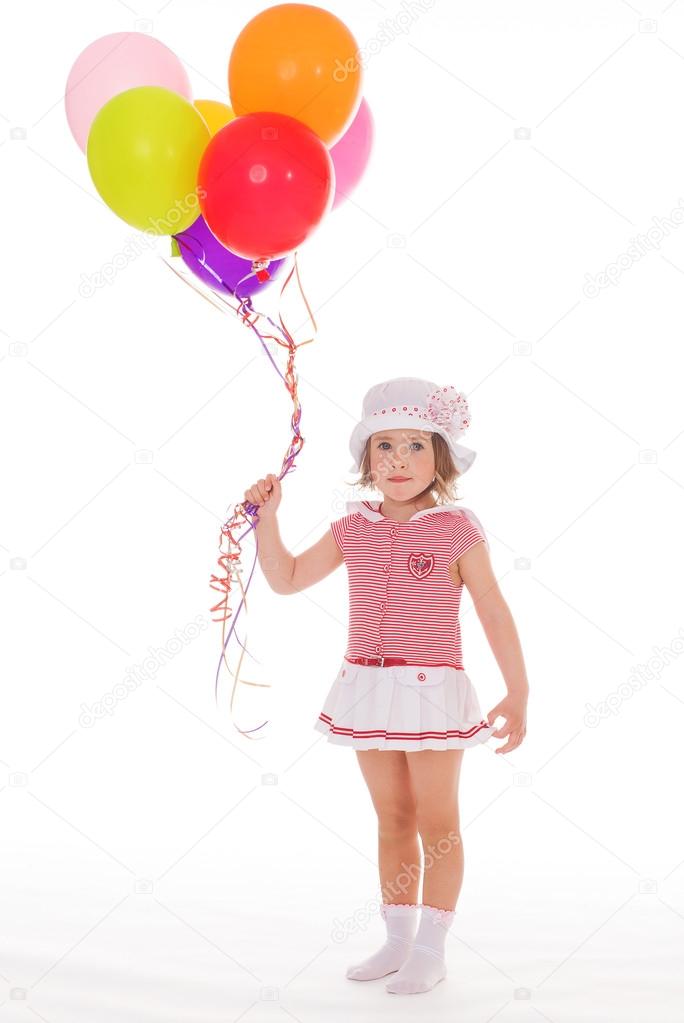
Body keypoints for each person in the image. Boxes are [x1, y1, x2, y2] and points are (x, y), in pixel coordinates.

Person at [243, 376, 529, 996]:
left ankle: (432, 947)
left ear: (442, 459)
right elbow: (287, 579)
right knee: (392, 817)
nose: (399, 462)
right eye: (384, 448)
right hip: (367, 690)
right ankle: (397, 939)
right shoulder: (354, 529)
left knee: (437, 820)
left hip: (432, 693)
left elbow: (492, 608)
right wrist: (269, 519)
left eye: (416, 447)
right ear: (366, 460)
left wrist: (518, 689)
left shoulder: (456, 528)